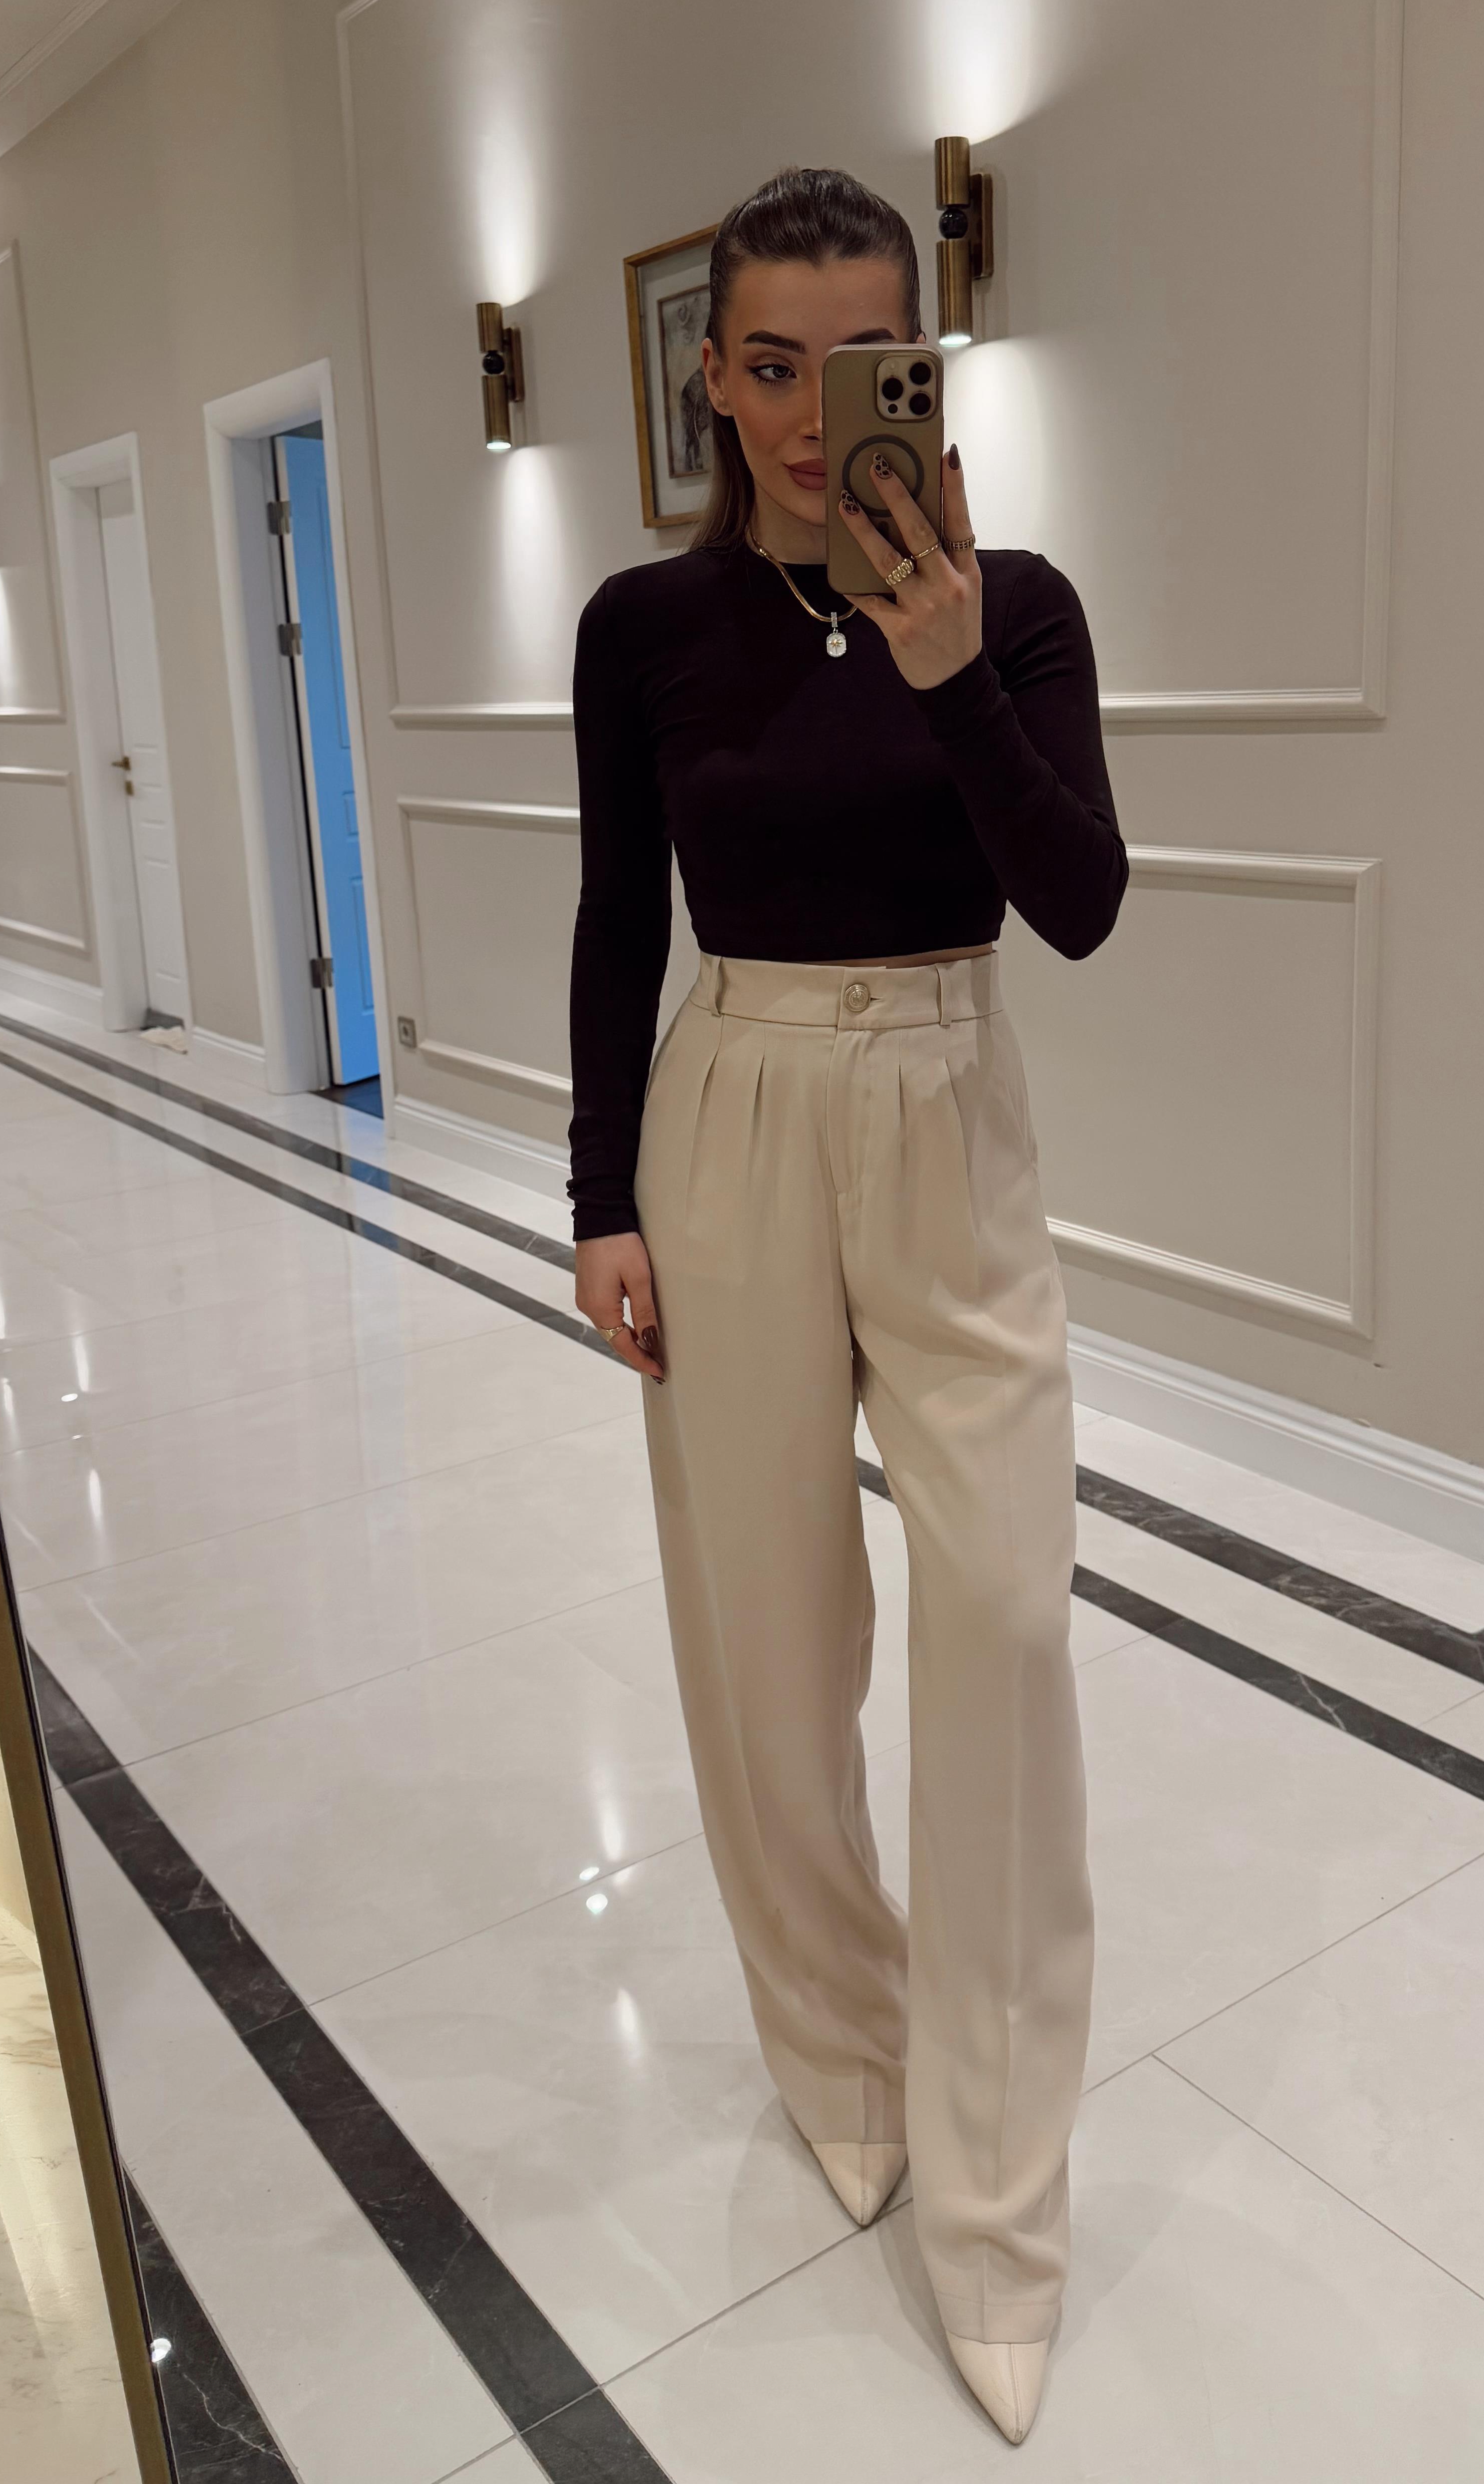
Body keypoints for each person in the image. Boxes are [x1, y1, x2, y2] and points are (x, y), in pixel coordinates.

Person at [568, 164, 1126, 2445]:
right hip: (731, 1114)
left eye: (861, 364)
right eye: (773, 366)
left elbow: (1077, 902)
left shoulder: (1024, 609)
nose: (816, 418)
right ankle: (842, 2058)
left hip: (948, 1103)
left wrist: (947, 666)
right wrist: (598, 1198)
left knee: (1004, 1618)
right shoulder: (643, 626)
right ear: (714, 377)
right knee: (770, 1641)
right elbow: (620, 915)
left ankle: (999, 2212)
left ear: (927, 366)